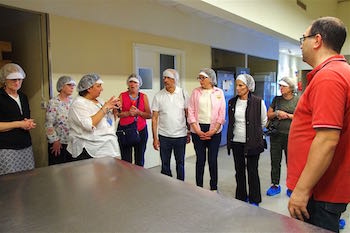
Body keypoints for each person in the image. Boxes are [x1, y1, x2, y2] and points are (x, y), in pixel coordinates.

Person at [287, 17, 350, 232]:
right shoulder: (338, 72)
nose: (301, 44)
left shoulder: (329, 77)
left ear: (317, 40)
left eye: (303, 38)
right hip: (322, 189)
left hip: (319, 192)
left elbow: (327, 140)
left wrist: (302, 191)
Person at [227, 74, 267, 206]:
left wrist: (254, 134)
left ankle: (255, 199)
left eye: (241, 85)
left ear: (248, 87)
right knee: (239, 171)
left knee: (252, 170)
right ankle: (241, 197)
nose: (237, 88)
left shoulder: (258, 102)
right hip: (236, 141)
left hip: (253, 142)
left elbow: (263, 122)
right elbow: (232, 122)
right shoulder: (232, 102)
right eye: (236, 85)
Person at [188, 68, 225, 191]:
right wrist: (197, 130)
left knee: (212, 159)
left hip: (214, 130)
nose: (201, 80)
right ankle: (199, 187)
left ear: (211, 79)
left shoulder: (219, 92)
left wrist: (214, 130)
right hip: (197, 129)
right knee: (200, 159)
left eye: (203, 78)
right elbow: (191, 111)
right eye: (200, 78)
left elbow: (222, 113)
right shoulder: (195, 92)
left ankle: (214, 187)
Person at [67, 73, 120, 160]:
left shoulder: (99, 101)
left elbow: (108, 122)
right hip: (91, 149)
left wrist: (114, 110)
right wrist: (106, 107)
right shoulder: (78, 104)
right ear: (89, 88)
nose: (102, 89)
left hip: (108, 146)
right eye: (98, 86)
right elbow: (89, 125)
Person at [152, 69, 190, 181]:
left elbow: (188, 115)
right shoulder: (158, 96)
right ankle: (167, 186)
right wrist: (155, 138)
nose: (165, 80)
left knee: (180, 164)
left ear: (175, 80)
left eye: (168, 78)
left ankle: (181, 186)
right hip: (164, 136)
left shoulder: (183, 93)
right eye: (164, 77)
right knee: (165, 164)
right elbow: (154, 118)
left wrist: (189, 131)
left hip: (180, 135)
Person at [0, 63, 36, 175]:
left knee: (27, 180)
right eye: (13, 79)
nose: (17, 82)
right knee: (10, 183)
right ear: (4, 80)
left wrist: (28, 123)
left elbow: (24, 118)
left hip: (25, 145)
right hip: (7, 148)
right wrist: (19, 124)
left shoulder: (23, 96)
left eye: (20, 79)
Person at [266, 77, 299, 196]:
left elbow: (302, 117)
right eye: (280, 86)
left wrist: (288, 116)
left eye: (283, 86)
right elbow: (268, 115)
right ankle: (275, 184)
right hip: (276, 135)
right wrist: (276, 113)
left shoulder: (298, 100)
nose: (281, 88)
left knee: (291, 163)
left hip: (292, 136)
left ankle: (292, 186)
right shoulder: (276, 99)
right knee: (275, 161)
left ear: (290, 88)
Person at [117, 74, 151, 167]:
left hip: (140, 131)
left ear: (139, 84)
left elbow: (149, 115)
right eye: (130, 82)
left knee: (139, 161)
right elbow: (118, 113)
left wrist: (138, 112)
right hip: (125, 132)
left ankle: (138, 180)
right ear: (127, 83)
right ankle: (127, 180)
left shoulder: (143, 97)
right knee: (125, 161)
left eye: (135, 82)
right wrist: (128, 113)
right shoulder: (122, 96)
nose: (132, 84)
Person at [45, 76, 76, 165]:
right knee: (57, 171)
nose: (72, 87)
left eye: (73, 85)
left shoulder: (73, 102)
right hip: (58, 143)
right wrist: (55, 140)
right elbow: (49, 124)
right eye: (69, 85)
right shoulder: (53, 102)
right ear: (61, 86)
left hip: (72, 142)